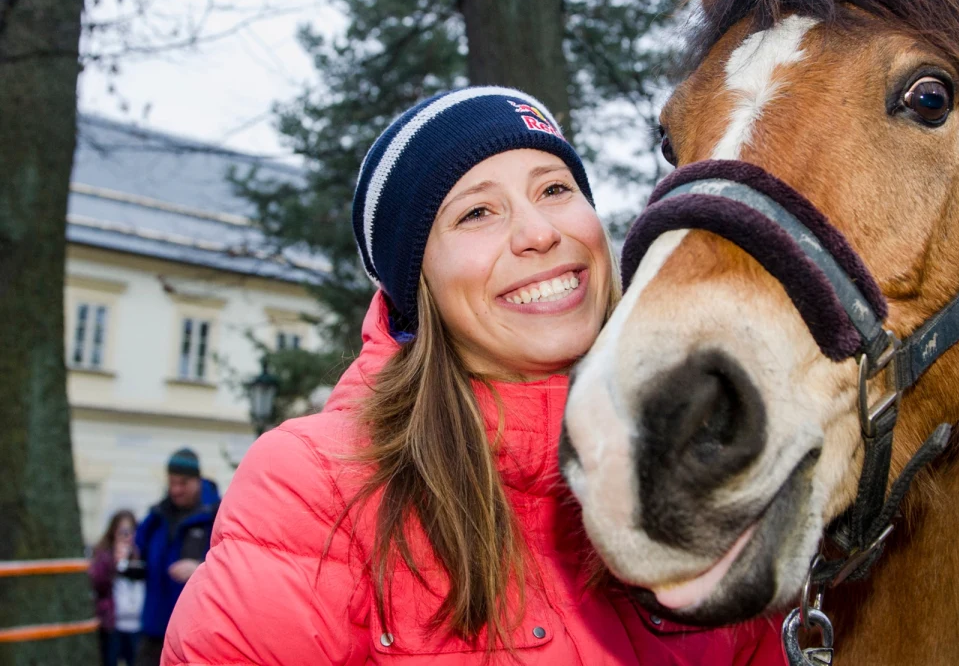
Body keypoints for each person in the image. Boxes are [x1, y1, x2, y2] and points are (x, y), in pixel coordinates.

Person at [163, 87, 783, 664]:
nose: (540, 233)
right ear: (419, 281)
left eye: (555, 190)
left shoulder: (703, 450)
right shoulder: (317, 487)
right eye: (478, 212)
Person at [135, 448, 219, 666]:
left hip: (193, 634)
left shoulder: (216, 516)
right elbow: (137, 550)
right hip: (153, 631)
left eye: (183, 483)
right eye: (172, 482)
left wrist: (201, 569)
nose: (176, 490)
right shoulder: (156, 516)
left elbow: (231, 566)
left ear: (198, 480)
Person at [90, 509, 143, 666]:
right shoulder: (104, 554)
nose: (127, 536)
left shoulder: (140, 553)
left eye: (130, 531)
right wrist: (113, 563)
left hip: (137, 624)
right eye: (122, 531)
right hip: (112, 622)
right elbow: (96, 582)